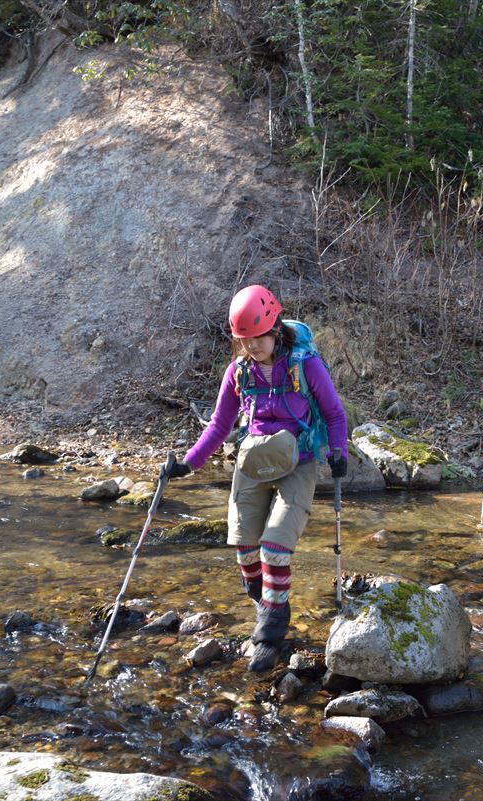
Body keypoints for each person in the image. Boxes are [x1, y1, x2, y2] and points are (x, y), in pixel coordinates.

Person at [167, 284, 349, 672]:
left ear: (274, 327)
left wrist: (338, 452)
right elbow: (219, 425)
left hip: (297, 461)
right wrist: (188, 463)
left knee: (275, 548)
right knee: (245, 549)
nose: (250, 347)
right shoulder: (239, 371)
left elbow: (334, 413)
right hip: (253, 460)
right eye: (243, 341)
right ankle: (267, 599)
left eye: (256, 339)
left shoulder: (304, 365)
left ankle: (269, 634)